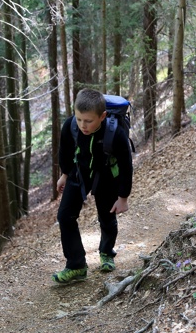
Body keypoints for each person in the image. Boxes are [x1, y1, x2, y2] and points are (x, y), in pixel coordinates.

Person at [53, 88, 133, 284]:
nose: (83, 125)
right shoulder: (70, 126)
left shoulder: (115, 133)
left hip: (106, 176)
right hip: (79, 174)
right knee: (65, 216)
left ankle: (106, 253)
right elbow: (65, 151)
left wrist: (123, 197)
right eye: (79, 119)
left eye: (88, 121)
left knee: (106, 217)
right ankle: (76, 265)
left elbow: (126, 165)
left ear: (103, 116)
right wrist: (64, 175)